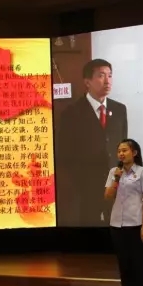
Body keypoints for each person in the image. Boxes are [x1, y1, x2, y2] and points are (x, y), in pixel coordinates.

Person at [57, 59, 128, 226]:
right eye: (101, 76)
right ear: (87, 81)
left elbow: (124, 145)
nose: (107, 81)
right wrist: (78, 181)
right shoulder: (72, 113)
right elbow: (65, 153)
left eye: (110, 76)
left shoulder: (119, 109)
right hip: (86, 185)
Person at [104, 138, 143, 286]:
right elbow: (108, 196)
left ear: (134, 153)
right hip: (117, 225)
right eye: (119, 151)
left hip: (136, 225)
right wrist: (116, 179)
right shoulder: (114, 172)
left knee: (138, 269)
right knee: (124, 269)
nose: (121, 154)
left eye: (125, 150)